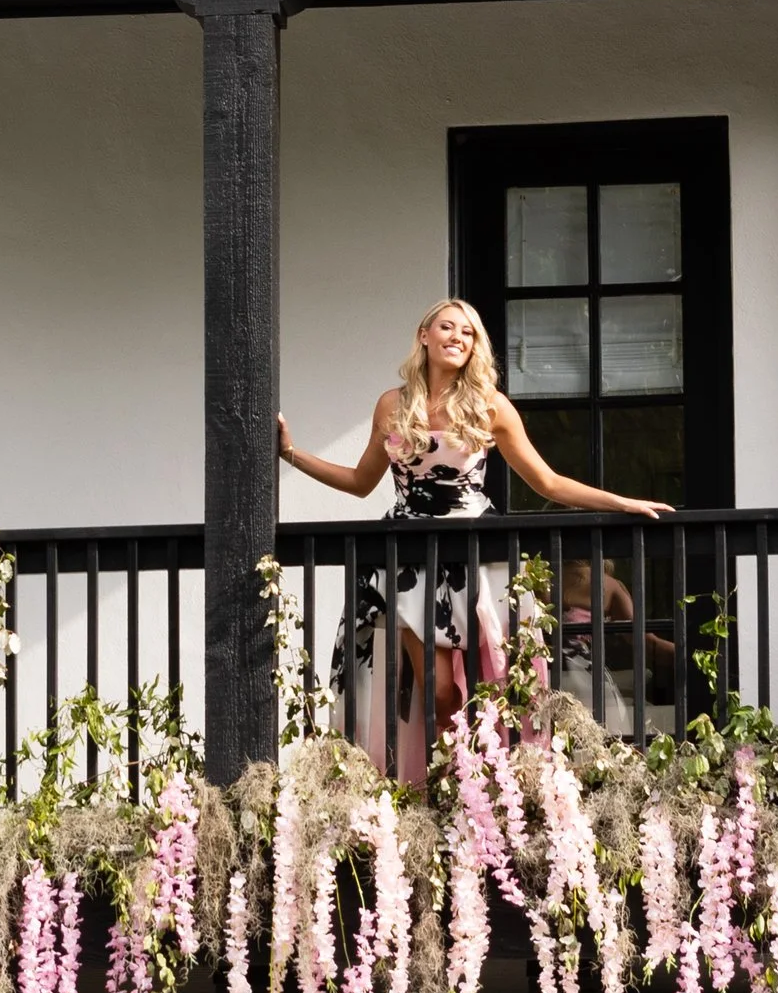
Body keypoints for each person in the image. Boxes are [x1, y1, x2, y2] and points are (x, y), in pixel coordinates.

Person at [277, 300, 671, 762]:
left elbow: (547, 481)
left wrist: (622, 501)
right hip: (410, 558)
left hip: (478, 556)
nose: (457, 338)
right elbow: (362, 482)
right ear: (424, 335)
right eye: (447, 327)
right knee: (439, 691)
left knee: (496, 684)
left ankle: (489, 789)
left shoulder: (489, 406)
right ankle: (445, 787)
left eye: (468, 333)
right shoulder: (393, 404)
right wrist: (292, 454)